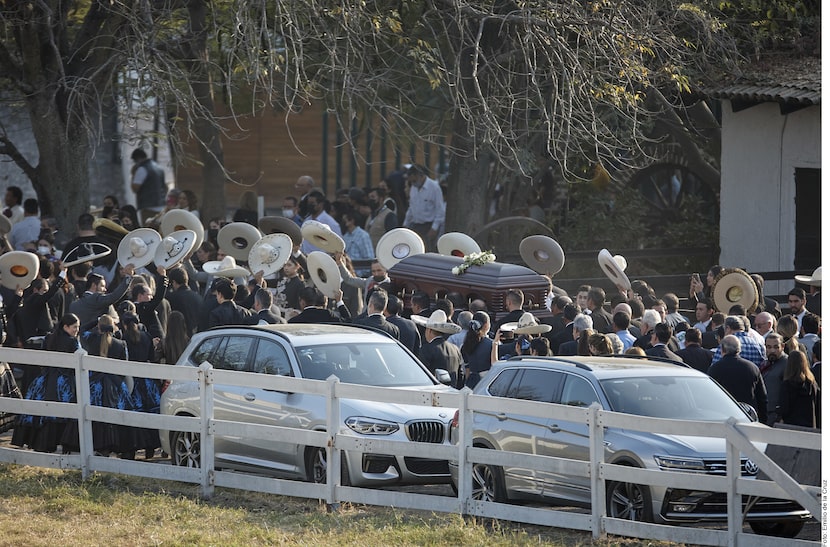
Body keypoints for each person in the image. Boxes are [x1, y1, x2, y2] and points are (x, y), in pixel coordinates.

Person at [11, 313, 81, 452]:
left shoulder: (49, 337)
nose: (77, 330)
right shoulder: (73, 342)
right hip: (64, 380)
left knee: (41, 411)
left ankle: (40, 443)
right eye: (75, 327)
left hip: (47, 378)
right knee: (65, 411)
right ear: (66, 326)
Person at [119, 311, 162, 459]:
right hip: (147, 380)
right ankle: (152, 447)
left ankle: (131, 448)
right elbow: (151, 357)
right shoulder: (146, 336)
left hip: (132, 380)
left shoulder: (123, 339)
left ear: (124, 324)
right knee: (151, 410)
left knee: (133, 411)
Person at [707, 334, 768, 424]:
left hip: (723, 417)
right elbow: (762, 397)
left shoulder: (715, 368)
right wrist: (763, 420)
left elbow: (710, 397)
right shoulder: (752, 368)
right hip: (748, 416)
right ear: (739, 349)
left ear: (722, 349)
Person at [68, 265, 135, 331]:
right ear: (94, 285)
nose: (105, 289)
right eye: (102, 286)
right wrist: (128, 277)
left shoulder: (74, 305)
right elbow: (114, 296)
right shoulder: (96, 298)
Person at [416, 309, 463, 386]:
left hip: (432, 393)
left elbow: (420, 375)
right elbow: (461, 376)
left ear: (429, 330)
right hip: (452, 393)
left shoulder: (426, 349)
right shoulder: (455, 349)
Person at [402, 164, 443, 251]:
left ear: (421, 176)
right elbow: (411, 207)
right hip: (416, 224)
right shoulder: (414, 187)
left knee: (427, 250)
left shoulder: (434, 188)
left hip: (428, 225)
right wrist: (405, 224)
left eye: (414, 180)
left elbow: (440, 210)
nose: (413, 183)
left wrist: (434, 228)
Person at [777, 350, 819, 428]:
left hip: (791, 425)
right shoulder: (812, 384)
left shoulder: (787, 385)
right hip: (809, 425)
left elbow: (784, 409)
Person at [130, 148, 167, 224]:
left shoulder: (142, 169)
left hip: (148, 207)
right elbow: (165, 187)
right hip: (161, 205)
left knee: (149, 232)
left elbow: (135, 188)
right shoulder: (158, 167)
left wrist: (133, 174)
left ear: (137, 159)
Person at [300, 190, 343, 254]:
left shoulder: (331, 223)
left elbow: (338, 245)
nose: (309, 206)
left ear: (320, 204)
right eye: (308, 203)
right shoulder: (307, 221)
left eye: (312, 203)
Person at [759, 333, 787, 426]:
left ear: (782, 346)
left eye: (776, 347)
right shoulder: (766, 363)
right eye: (769, 347)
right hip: (764, 412)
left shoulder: (787, 364)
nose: (772, 350)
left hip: (777, 415)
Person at [461, 311, 493, 389]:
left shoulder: (465, 344)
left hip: (470, 384)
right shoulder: (491, 344)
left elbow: (467, 370)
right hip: (487, 383)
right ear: (486, 326)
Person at [341, 210, 374, 276]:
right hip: (347, 274)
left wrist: (362, 275)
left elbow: (369, 257)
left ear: (352, 220)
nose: (344, 221)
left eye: (347, 218)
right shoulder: (345, 236)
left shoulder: (363, 236)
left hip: (360, 275)